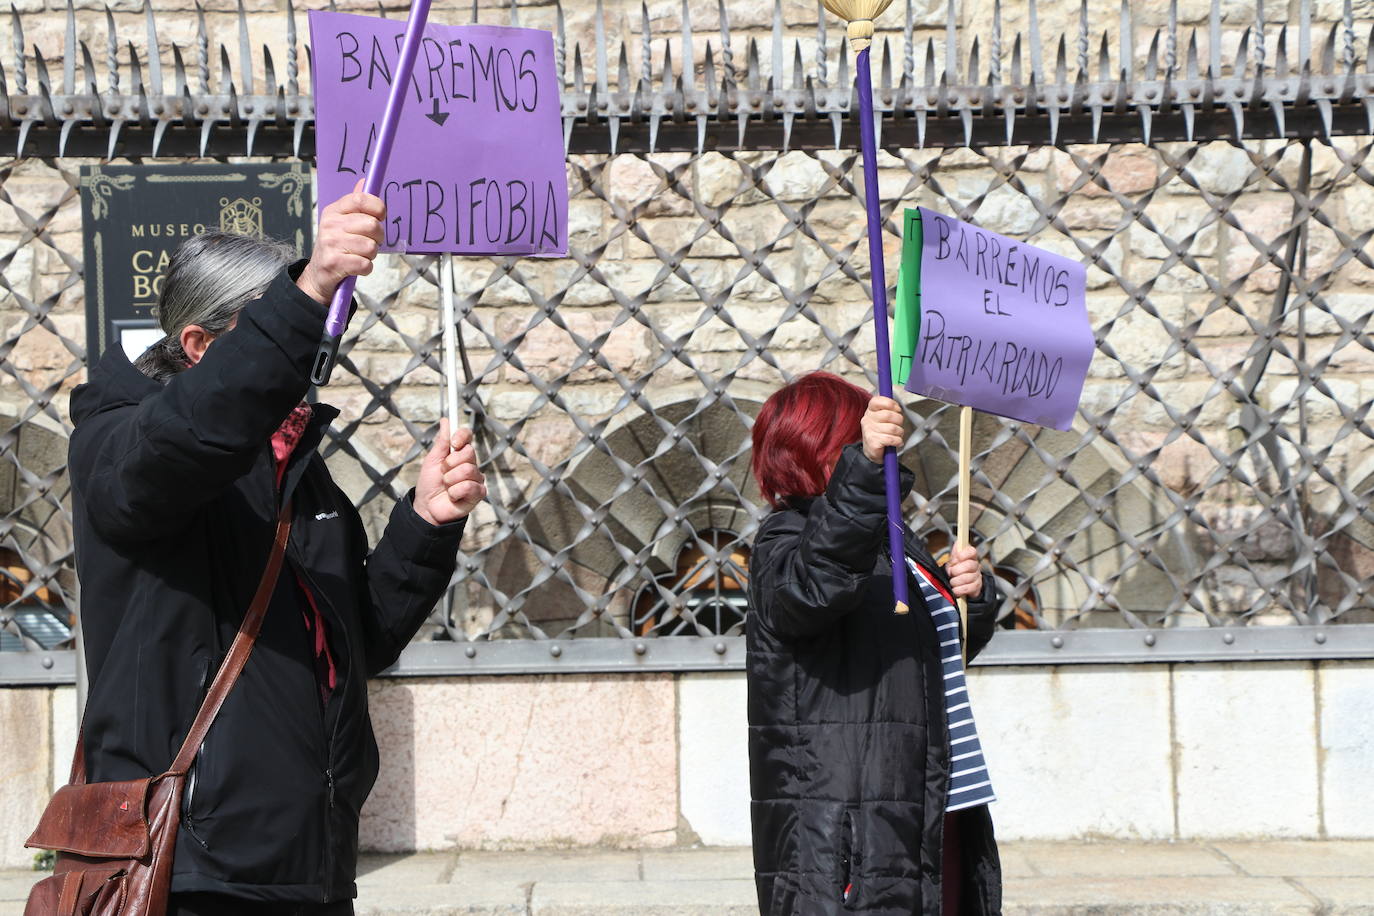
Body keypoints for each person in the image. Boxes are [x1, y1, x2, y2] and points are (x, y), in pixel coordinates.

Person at [66, 187, 485, 915]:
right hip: (191, 866)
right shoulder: (121, 442)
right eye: (278, 328)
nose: (309, 355)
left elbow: (361, 640)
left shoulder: (298, 468)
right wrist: (311, 286)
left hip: (310, 864)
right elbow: (188, 439)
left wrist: (426, 521)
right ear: (200, 345)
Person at [746, 371, 1004, 916]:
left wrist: (971, 601)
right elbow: (811, 592)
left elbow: (929, 658)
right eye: (855, 435)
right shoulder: (784, 539)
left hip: (934, 795)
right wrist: (862, 470)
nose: (885, 447)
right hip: (855, 819)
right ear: (821, 444)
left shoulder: (892, 544)